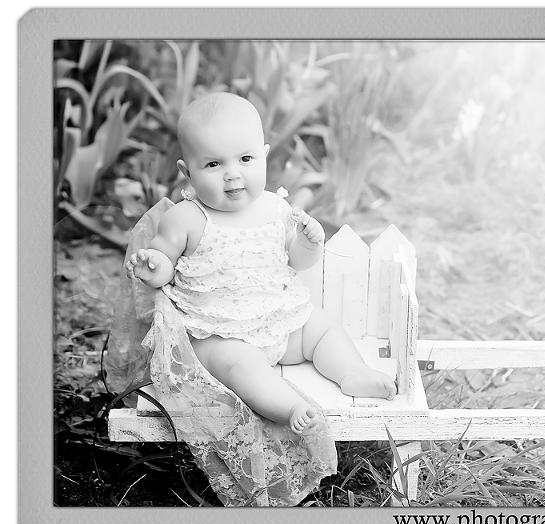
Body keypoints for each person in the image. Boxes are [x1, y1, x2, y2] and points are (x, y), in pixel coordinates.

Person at [125, 91, 396, 436]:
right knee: (241, 365)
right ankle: (289, 406)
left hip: (280, 322)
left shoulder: (276, 208)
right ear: (187, 171)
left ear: (265, 156)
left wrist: (306, 243)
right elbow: (164, 262)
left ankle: (351, 372)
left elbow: (297, 262)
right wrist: (154, 266)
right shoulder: (186, 218)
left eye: (246, 159)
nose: (232, 175)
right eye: (213, 164)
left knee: (322, 326)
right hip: (220, 335)